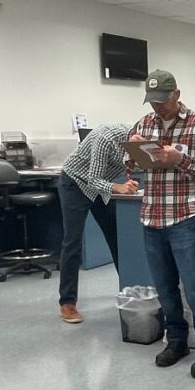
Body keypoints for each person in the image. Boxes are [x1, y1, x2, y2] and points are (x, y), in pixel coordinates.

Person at [130, 69, 195, 378]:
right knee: (165, 286)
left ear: (176, 95)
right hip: (152, 215)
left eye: (162, 101)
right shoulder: (144, 124)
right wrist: (131, 150)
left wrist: (177, 159)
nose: (157, 108)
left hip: (184, 215)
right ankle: (177, 340)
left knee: (194, 285)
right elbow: (129, 164)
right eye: (152, 102)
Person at [57, 124, 138, 323]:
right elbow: (93, 179)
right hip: (75, 183)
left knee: (117, 238)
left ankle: (131, 292)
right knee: (73, 242)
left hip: (100, 187)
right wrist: (118, 187)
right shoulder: (106, 138)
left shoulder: (141, 143)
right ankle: (67, 302)